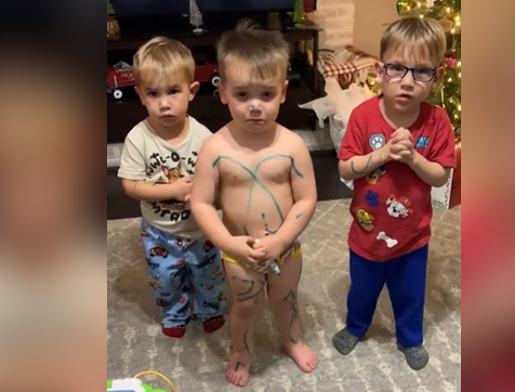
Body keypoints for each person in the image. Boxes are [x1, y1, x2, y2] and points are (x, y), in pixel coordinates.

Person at [190, 21, 319, 387]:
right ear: (224, 93)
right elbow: (200, 204)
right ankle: (241, 351)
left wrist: (280, 241)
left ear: (282, 92)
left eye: (265, 95)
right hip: (238, 254)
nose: (255, 107)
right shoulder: (215, 148)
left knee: (286, 301)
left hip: (286, 248)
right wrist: (228, 243)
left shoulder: (293, 145)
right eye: (243, 95)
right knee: (245, 307)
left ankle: (292, 340)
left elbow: (307, 198)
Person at [331, 16, 457, 371]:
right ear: (380, 70)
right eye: (397, 68)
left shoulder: (438, 122)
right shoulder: (362, 116)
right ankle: (356, 326)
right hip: (367, 232)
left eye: (421, 72)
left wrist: (413, 157)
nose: (407, 81)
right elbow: (344, 169)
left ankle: (410, 339)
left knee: (410, 295)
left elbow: (439, 177)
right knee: (362, 289)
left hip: (413, 236)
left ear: (436, 77)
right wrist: (383, 155)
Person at [118, 37, 225, 338]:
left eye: (173, 91)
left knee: (208, 274)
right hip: (159, 232)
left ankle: (209, 308)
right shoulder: (138, 139)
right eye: (154, 93)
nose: (164, 103)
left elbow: (217, 177)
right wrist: (172, 191)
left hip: (200, 229)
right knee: (164, 278)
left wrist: (207, 192)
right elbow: (131, 185)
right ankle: (174, 313)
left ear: (191, 91)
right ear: (140, 95)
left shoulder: (204, 136)